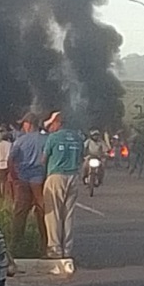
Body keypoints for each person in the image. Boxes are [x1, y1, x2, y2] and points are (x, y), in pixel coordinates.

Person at [41, 111, 83, 259]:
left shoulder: (53, 137)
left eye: (51, 124)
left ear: (57, 123)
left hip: (56, 176)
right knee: (68, 215)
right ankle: (67, 249)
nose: (50, 127)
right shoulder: (78, 138)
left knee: (53, 215)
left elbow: (43, 159)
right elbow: (81, 158)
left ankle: (54, 249)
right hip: (73, 176)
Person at [8, 112, 49, 258]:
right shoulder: (46, 139)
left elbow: (11, 159)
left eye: (24, 123)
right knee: (43, 213)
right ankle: (46, 246)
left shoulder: (20, 141)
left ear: (29, 124)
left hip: (23, 180)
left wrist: (14, 176)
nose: (23, 126)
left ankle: (16, 246)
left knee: (20, 213)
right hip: (40, 181)